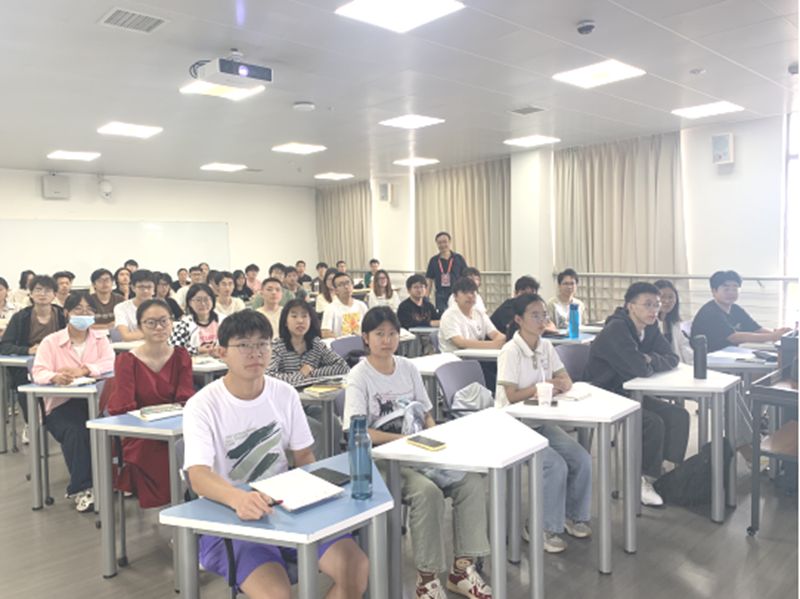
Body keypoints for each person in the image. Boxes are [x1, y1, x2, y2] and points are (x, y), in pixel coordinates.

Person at [183, 310, 369, 598]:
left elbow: (303, 456)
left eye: (263, 344)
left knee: (356, 568)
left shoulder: (284, 393)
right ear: (222, 352)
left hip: (286, 507)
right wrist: (238, 499)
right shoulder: (202, 405)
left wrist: (314, 497)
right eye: (243, 345)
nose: (255, 352)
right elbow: (198, 476)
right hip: (230, 516)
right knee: (277, 594)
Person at [344, 307, 492, 599]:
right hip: (384, 459)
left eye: (392, 334)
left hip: (418, 450)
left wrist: (432, 437)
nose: (386, 340)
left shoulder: (407, 367)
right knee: (427, 493)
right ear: (365, 338)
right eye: (379, 334)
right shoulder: (359, 376)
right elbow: (357, 431)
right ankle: (427, 579)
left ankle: (462, 570)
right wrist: (402, 440)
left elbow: (426, 414)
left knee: (470, 481)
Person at [496, 294, 592, 553]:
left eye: (544, 315)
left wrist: (560, 383)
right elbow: (511, 395)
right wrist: (544, 386)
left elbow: (565, 378)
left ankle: (572, 516)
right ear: (519, 320)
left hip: (539, 420)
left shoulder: (546, 346)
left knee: (581, 458)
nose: (541, 321)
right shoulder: (510, 351)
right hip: (512, 424)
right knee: (553, 465)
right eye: (535, 315)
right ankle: (541, 527)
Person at [585, 282, 689, 507]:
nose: (654, 310)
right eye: (648, 304)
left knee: (678, 415)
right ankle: (643, 480)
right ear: (630, 306)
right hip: (605, 393)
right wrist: (648, 362)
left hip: (629, 391)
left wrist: (650, 359)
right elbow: (639, 369)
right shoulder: (617, 329)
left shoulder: (650, 326)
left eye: (656, 305)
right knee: (652, 422)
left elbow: (672, 358)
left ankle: (662, 471)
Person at [31, 290, 114, 512]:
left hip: (96, 402)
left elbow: (110, 363)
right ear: (67, 312)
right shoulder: (51, 341)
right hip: (61, 405)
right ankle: (83, 488)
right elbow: (38, 372)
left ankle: (114, 479)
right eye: (78, 310)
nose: (84, 314)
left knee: (112, 427)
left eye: (89, 310)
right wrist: (54, 377)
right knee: (76, 432)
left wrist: (84, 370)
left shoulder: (100, 339)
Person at [108, 299, 194, 507]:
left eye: (164, 321)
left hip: (176, 426)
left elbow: (185, 397)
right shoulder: (127, 360)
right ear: (140, 327)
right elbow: (124, 406)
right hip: (141, 431)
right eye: (151, 323)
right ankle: (173, 505)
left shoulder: (181, 355)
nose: (159, 327)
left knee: (196, 446)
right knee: (154, 452)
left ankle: (189, 501)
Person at [0, 275, 66, 430]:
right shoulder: (21, 317)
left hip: (58, 363)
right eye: (38, 290)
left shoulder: (62, 315)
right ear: (30, 293)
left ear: (54, 294)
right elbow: (5, 346)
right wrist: (28, 350)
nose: (42, 294)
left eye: (47, 290)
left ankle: (55, 422)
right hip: (28, 366)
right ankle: (31, 424)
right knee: (24, 388)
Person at [691, 270, 792, 353]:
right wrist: (773, 336)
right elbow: (734, 337)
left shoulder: (735, 309)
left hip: (729, 353)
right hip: (709, 357)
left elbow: (756, 328)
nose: (731, 293)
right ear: (714, 291)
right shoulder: (710, 312)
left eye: (735, 289)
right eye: (726, 289)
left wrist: (781, 334)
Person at [439, 277, 505, 389]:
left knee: (503, 370)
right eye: (465, 292)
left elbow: (496, 334)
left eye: (473, 293)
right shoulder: (449, 315)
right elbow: (460, 343)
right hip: (457, 362)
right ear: (455, 297)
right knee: (493, 381)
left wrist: (503, 340)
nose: (470, 296)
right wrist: (493, 345)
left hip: (478, 359)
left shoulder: (479, 313)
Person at [267, 299, 350, 385]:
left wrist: (312, 373)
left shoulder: (316, 344)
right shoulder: (277, 346)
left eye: (304, 316)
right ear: (285, 322)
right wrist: (300, 375)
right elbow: (268, 377)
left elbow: (343, 367)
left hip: (314, 392)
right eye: (294, 316)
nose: (300, 321)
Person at [170, 283, 225, 356]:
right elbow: (174, 350)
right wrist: (197, 350)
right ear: (190, 302)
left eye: (206, 299)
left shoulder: (223, 321)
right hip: (193, 362)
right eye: (198, 300)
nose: (203, 303)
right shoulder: (184, 324)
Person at [426, 232, 469, 313]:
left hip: (456, 293)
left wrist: (466, 292)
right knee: (443, 315)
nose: (442, 245)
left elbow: (466, 276)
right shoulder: (434, 260)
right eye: (439, 243)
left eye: (445, 242)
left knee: (457, 314)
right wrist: (426, 296)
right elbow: (429, 279)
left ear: (449, 242)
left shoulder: (458, 258)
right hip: (440, 294)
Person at [654, 280, 693, 364]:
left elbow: (684, 346)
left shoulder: (674, 323)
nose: (667, 301)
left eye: (671, 297)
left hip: (676, 366)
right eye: (662, 297)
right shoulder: (650, 324)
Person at [321, 272, 369, 338]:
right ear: (336, 290)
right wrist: (341, 341)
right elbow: (325, 333)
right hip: (341, 343)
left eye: (348, 283)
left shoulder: (361, 305)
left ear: (352, 285)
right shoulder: (330, 308)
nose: (346, 287)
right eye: (341, 285)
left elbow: (370, 327)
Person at [114, 269, 157, 342]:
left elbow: (167, 332)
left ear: (154, 289)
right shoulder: (121, 308)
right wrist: (152, 332)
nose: (145, 290)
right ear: (133, 288)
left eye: (149, 287)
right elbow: (126, 336)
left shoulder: (161, 307)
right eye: (141, 287)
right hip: (131, 347)